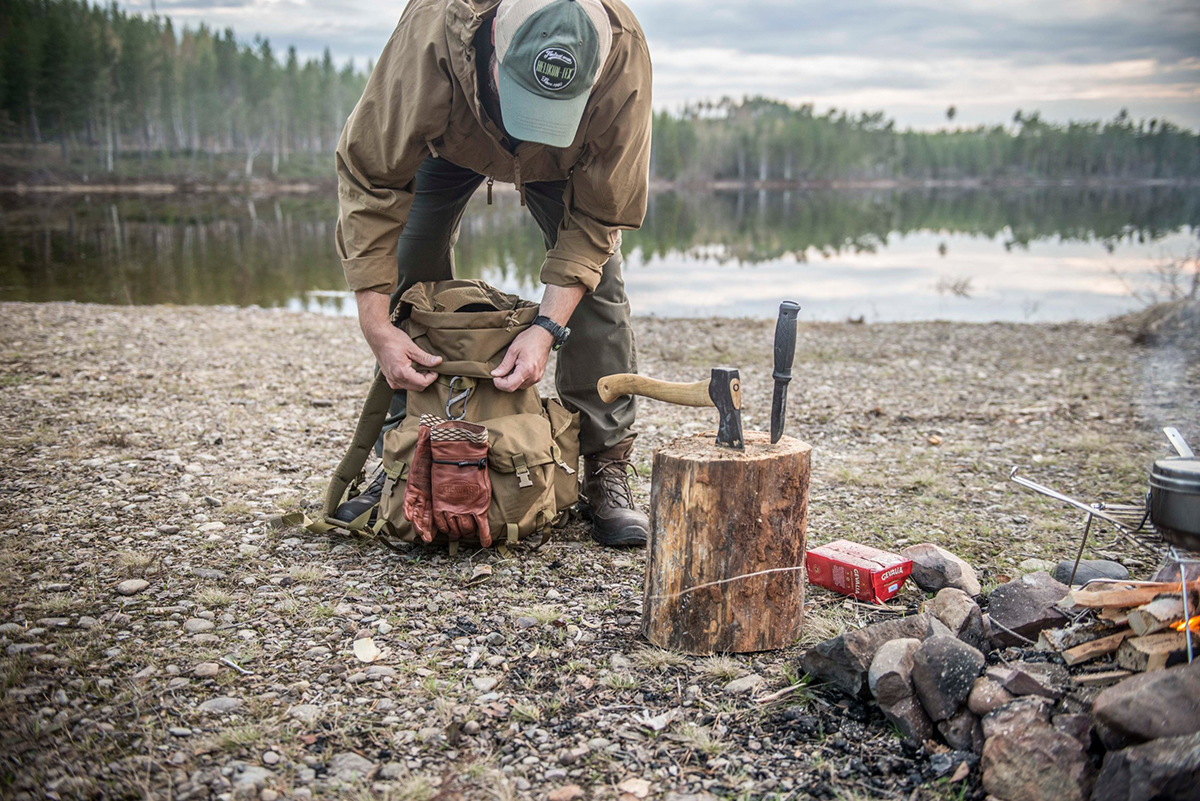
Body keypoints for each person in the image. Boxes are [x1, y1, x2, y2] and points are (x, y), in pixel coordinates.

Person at [331, 0, 653, 546]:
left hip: (565, 160)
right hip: (450, 138)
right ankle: (405, 452)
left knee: (598, 287)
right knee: (409, 275)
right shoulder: (431, 33)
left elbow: (600, 215)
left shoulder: (624, 61)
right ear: (493, 47)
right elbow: (371, 178)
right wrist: (375, 324)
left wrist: (546, 328)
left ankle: (603, 465)